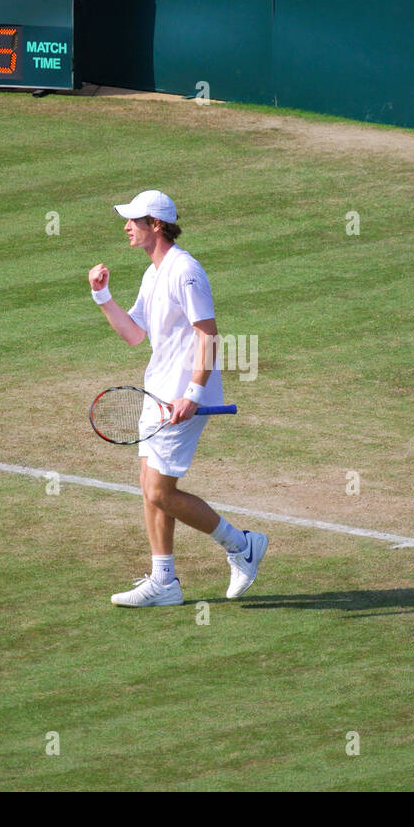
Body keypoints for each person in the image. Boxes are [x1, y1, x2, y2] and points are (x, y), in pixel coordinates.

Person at [87, 190, 268, 607]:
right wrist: (102, 296)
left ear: (157, 225)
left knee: (160, 492)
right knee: (150, 488)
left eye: (135, 220)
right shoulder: (154, 274)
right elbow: (135, 334)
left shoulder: (186, 271)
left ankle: (242, 545)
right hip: (157, 392)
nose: (126, 227)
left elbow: (208, 333)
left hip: (181, 397)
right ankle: (163, 581)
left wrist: (192, 393)